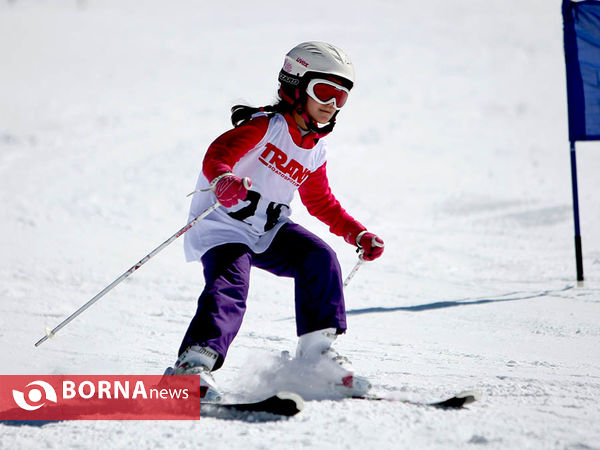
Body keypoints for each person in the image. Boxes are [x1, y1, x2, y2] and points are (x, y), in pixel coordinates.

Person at [171, 41, 384, 401]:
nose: (332, 104)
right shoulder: (265, 126)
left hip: (267, 231)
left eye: (341, 96)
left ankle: (315, 358)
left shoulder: (314, 149)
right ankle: (192, 367)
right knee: (230, 287)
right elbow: (219, 154)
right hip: (223, 226)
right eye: (324, 91)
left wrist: (357, 233)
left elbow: (319, 201)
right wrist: (223, 179)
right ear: (295, 86)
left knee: (319, 258)